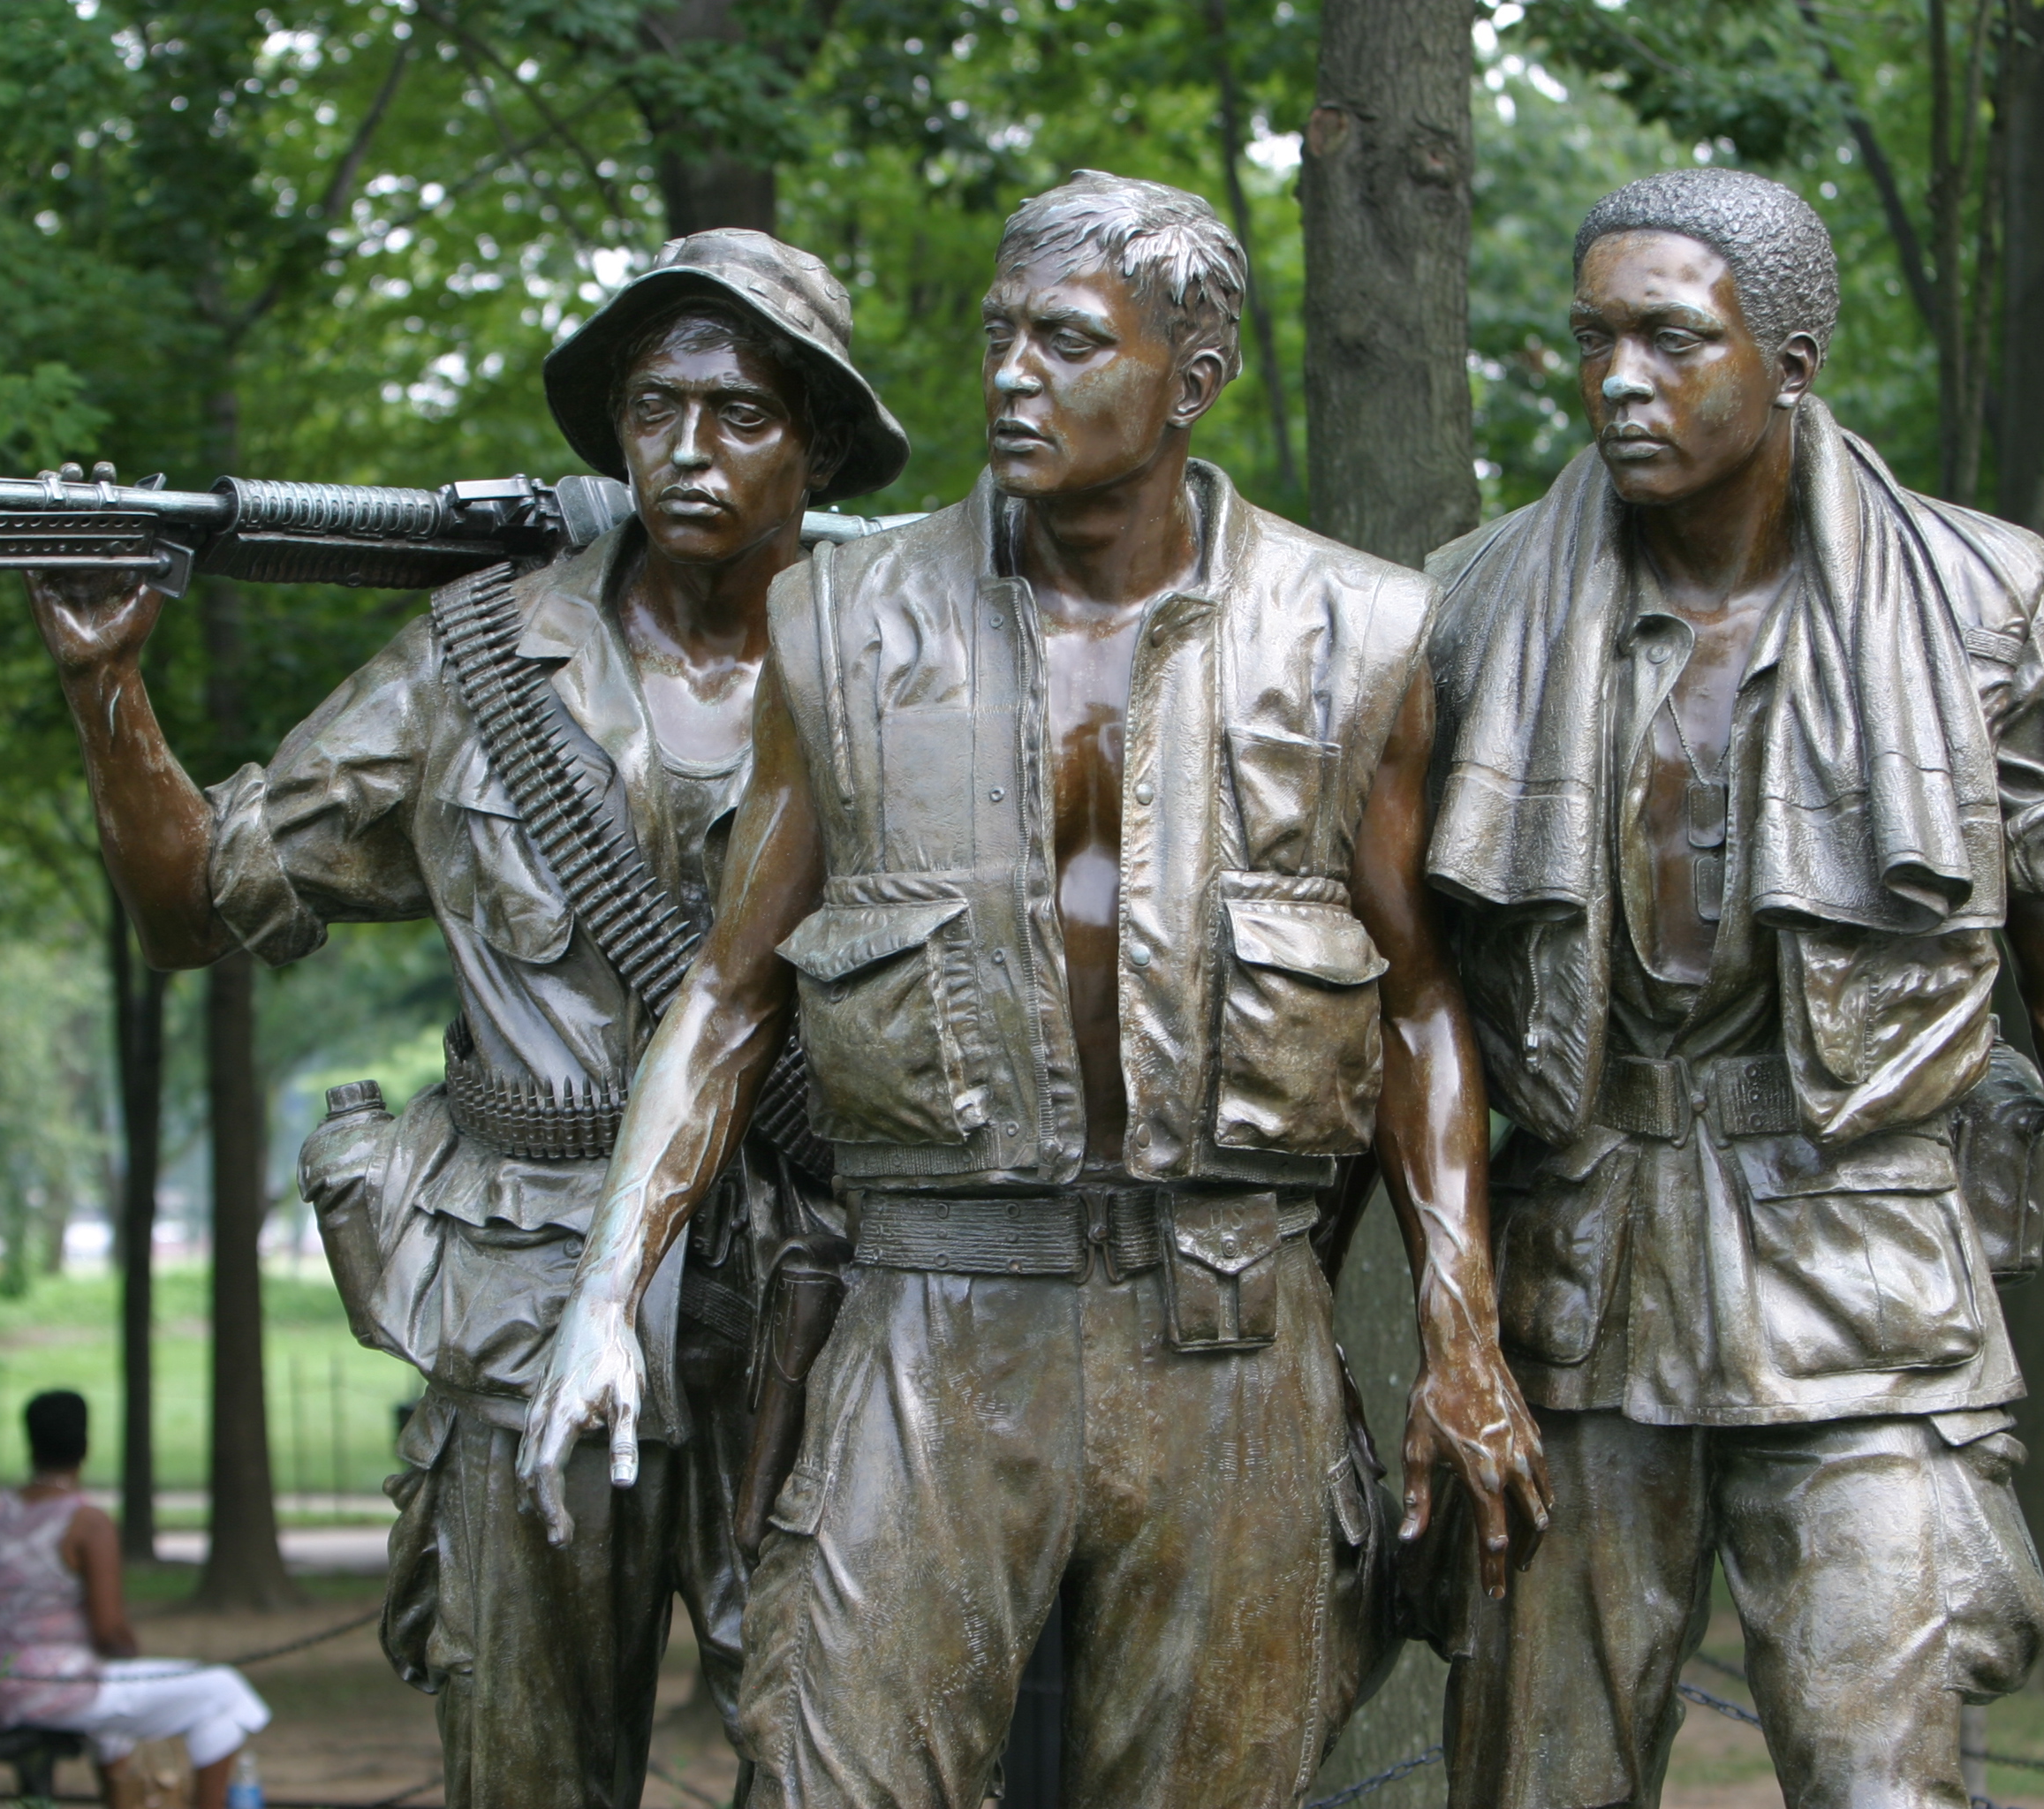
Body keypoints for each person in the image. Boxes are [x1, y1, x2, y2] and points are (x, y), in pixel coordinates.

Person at [522, 171, 1548, 1807]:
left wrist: (1460, 1332)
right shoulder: (839, 624)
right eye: (1000, 334)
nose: (1010, 373)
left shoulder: (1356, 633)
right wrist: (605, 1294)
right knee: (836, 1776)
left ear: (1189, 379)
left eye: (1066, 341)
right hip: (931, 1315)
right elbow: (725, 997)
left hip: (1227, 1330)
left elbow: (1421, 1004)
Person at [1419, 168, 2044, 1809]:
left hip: (1865, 1286)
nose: (1618, 381)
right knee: (1533, 1784)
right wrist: (1441, 1330)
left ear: (1793, 360)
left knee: (1885, 1786)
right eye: (1594, 340)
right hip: (1576, 1288)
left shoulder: (1980, 614)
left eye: (1671, 340)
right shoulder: (1468, 610)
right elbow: (1414, 1003)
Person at [24, 230, 906, 1807]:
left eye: (740, 411)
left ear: (820, 444)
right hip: (522, 1305)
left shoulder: (906, 674)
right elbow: (193, 906)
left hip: (821, 1305)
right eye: (653, 408)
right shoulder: (477, 659)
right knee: (525, 1779)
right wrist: (108, 692)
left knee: (851, 1772)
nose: (687, 448)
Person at [0, 1391, 269, 1809]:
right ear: (85, 1446)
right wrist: (128, 1651)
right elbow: (109, 1632)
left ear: (31, 1443)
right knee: (223, 1690)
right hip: (57, 1691)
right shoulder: (87, 1523)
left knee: (115, 1715)